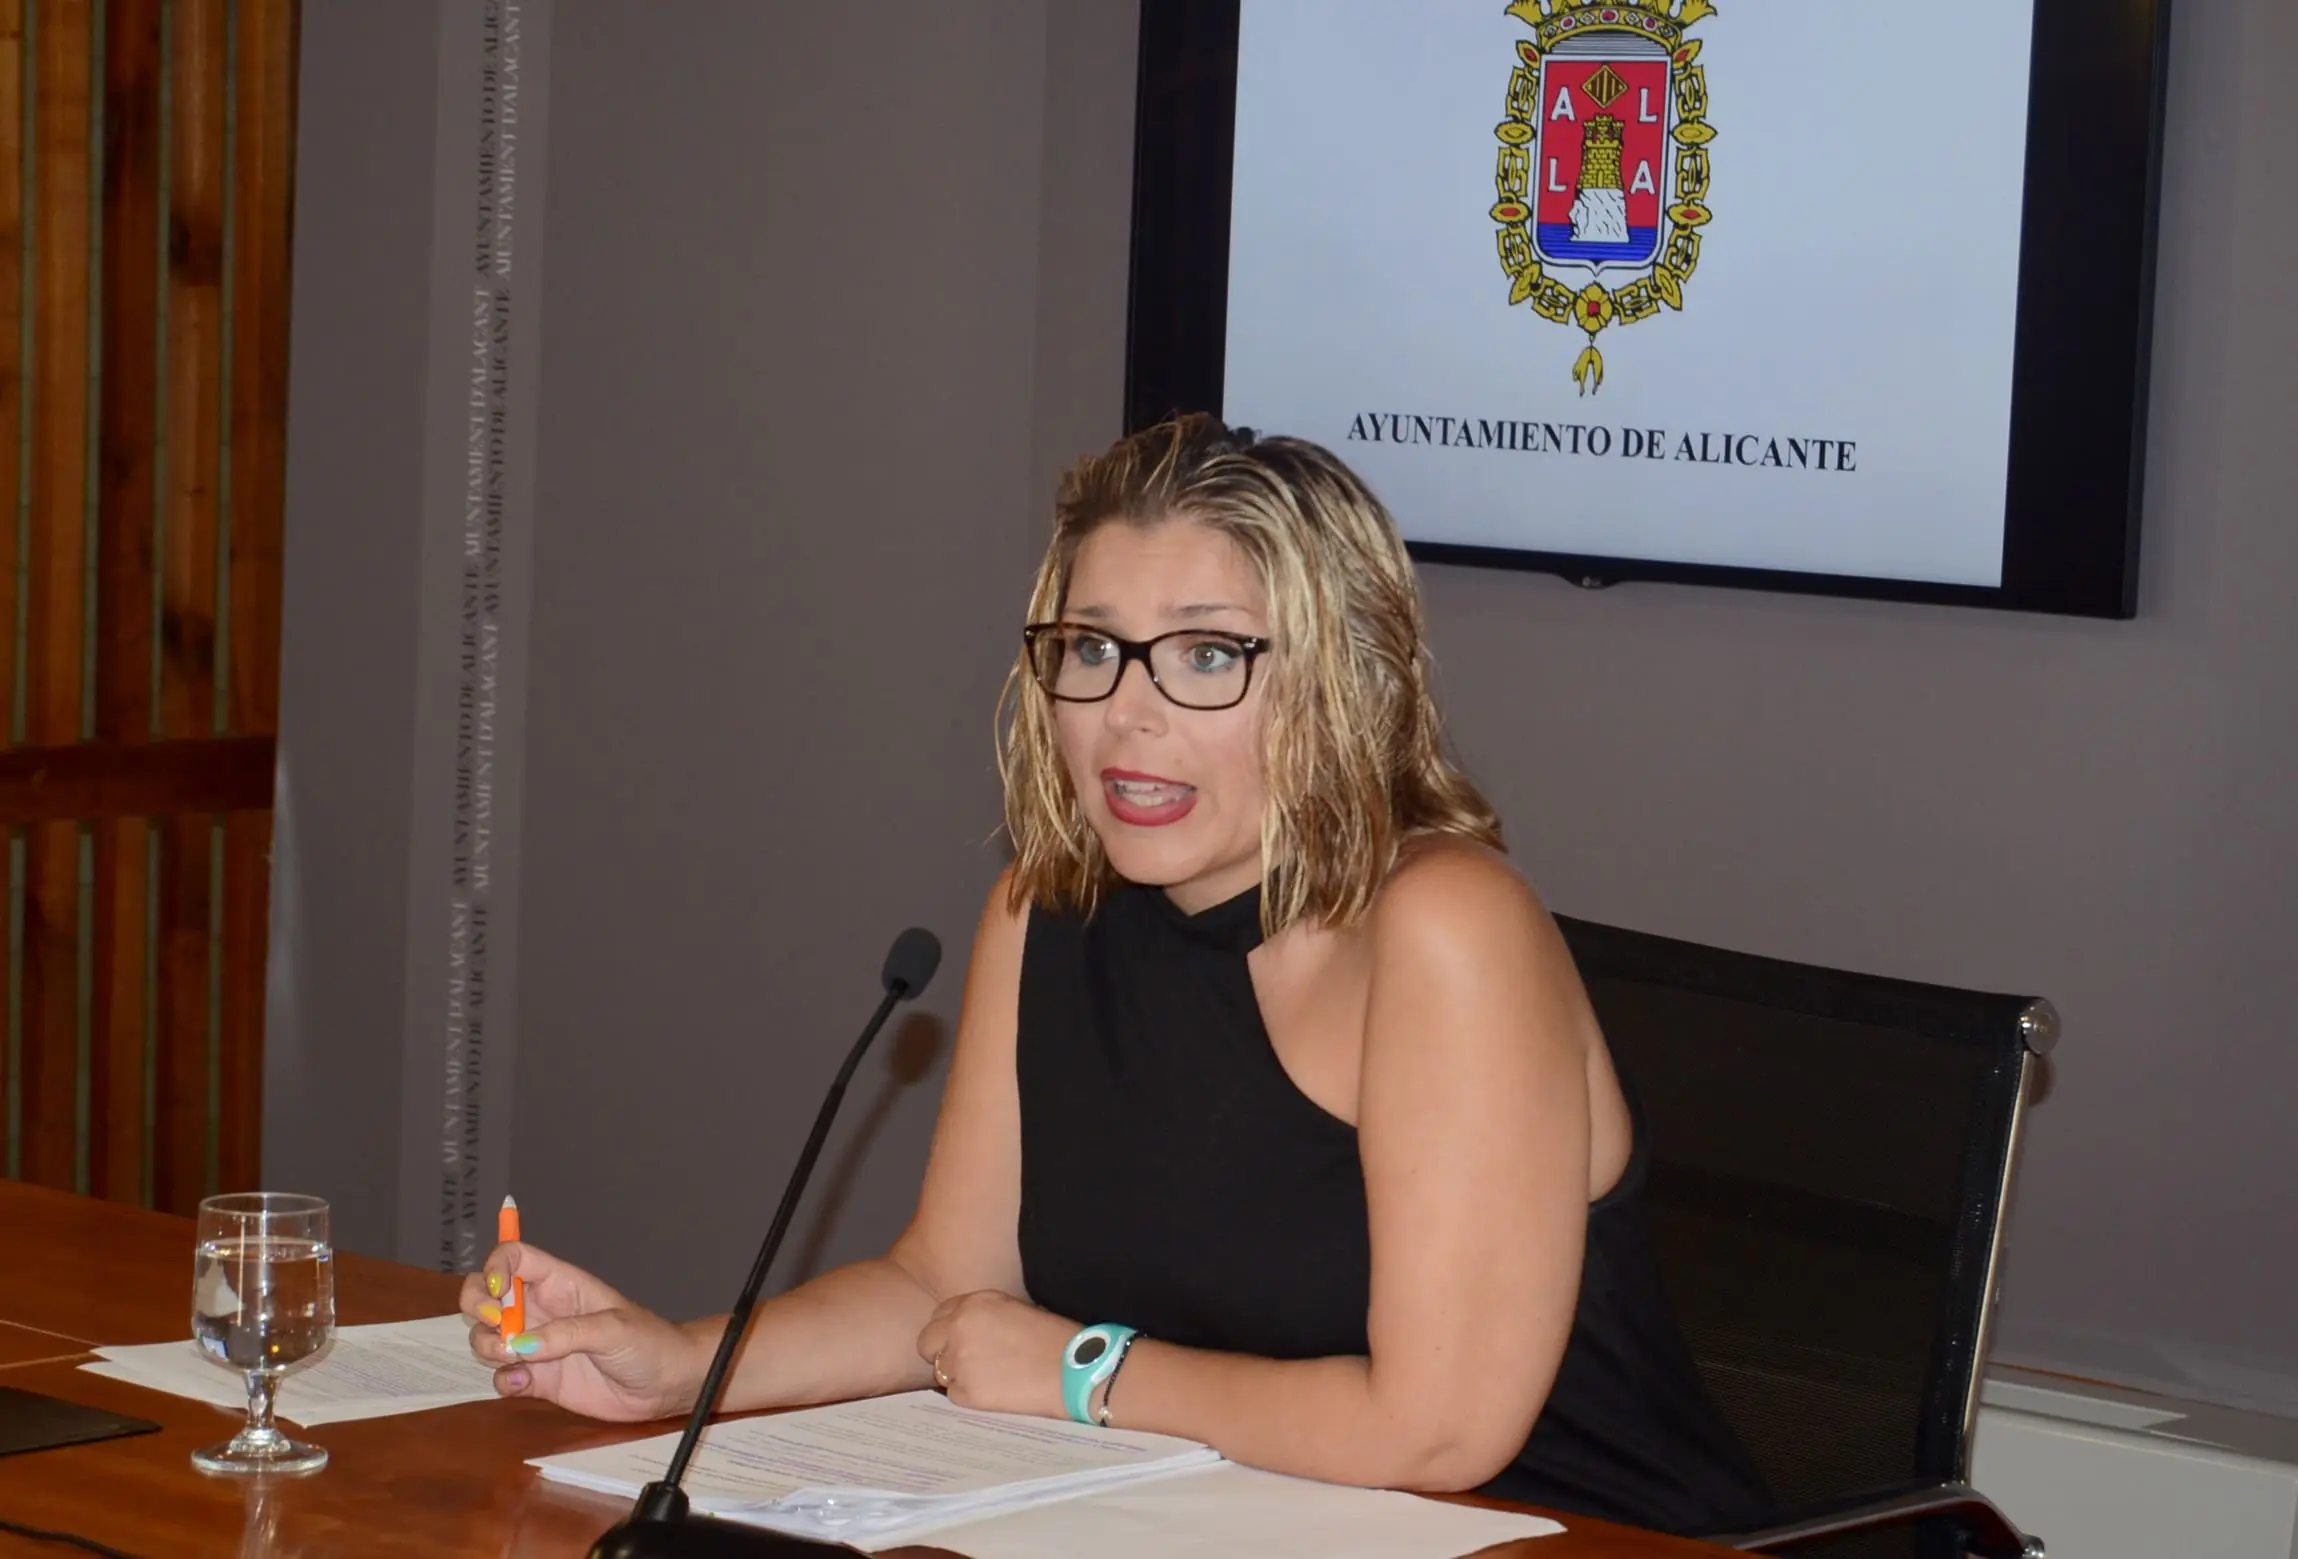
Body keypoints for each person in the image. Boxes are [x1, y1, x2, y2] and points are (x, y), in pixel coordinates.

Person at [461, 414, 1772, 1536]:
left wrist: (1086, 1370)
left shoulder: (1444, 926)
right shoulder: (1045, 910)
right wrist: (679, 1365)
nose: (1127, 713)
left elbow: (1436, 1431)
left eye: (1207, 654)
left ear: (1342, 681)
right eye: (1092, 648)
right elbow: (942, 1287)